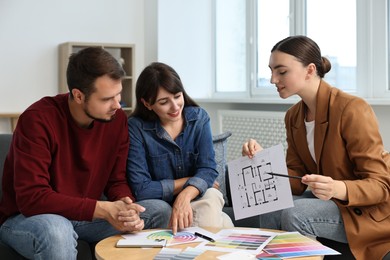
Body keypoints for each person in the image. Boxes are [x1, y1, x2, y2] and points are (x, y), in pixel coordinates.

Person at [0, 47, 162, 259]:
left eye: (118, 95)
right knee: (57, 231)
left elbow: (116, 180)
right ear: (78, 95)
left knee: (158, 210)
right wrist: (104, 209)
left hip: (85, 218)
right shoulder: (37, 120)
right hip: (30, 219)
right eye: (106, 99)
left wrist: (125, 204)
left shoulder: (117, 120)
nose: (117, 105)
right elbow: (33, 198)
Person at [242, 35, 390, 259]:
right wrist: (263, 160)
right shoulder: (293, 116)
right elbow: (297, 180)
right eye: (271, 71)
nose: (273, 79)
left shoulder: (352, 109)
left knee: (297, 213)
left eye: (281, 72)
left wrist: (338, 188)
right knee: (270, 205)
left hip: (364, 211)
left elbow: (381, 185)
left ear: (310, 70)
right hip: (329, 202)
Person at [126, 62, 234, 234]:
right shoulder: (136, 127)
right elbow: (142, 188)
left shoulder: (199, 118)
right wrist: (190, 180)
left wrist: (185, 195)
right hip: (160, 201)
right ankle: (223, 224)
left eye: (177, 96)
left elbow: (208, 169)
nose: (175, 106)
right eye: (164, 102)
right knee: (210, 216)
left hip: (197, 195)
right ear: (147, 103)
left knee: (212, 196)